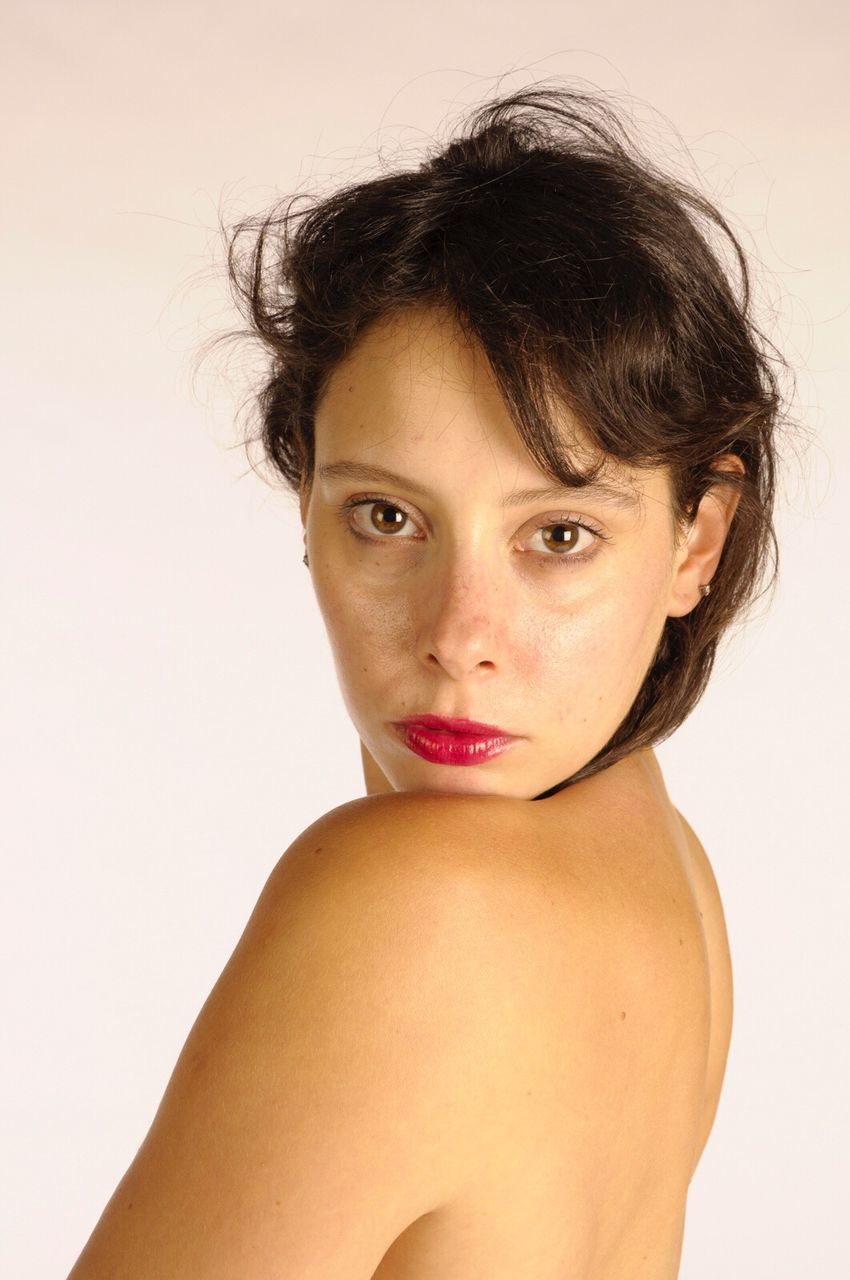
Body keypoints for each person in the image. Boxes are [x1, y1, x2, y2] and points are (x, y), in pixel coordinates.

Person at [67, 82, 784, 1279]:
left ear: (696, 540)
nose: (462, 636)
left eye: (557, 534)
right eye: (388, 514)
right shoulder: (659, 859)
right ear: (308, 506)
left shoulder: (413, 899)